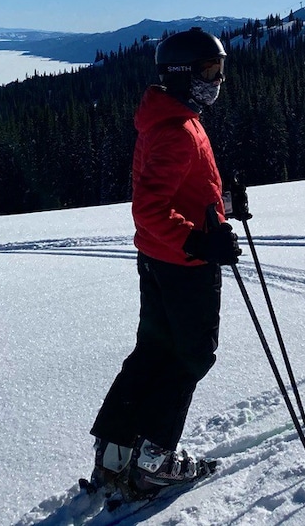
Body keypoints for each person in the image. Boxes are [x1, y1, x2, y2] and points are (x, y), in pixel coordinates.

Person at [88, 27, 242, 497]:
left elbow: (174, 192)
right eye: (207, 71)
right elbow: (149, 208)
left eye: (219, 70)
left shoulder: (173, 115)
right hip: (183, 265)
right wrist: (199, 243)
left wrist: (222, 205)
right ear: (179, 74)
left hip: (158, 256)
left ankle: (115, 451)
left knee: (154, 350)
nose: (215, 81)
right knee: (192, 355)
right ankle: (155, 459)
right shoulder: (177, 128)